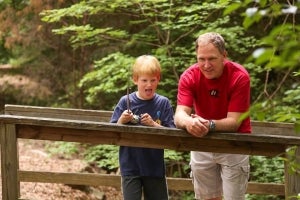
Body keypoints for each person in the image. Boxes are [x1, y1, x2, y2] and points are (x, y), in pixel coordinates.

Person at [174, 32, 251, 200]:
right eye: (201, 59)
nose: (206, 65)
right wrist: (189, 122)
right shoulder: (189, 76)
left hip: (234, 144)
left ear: (224, 56)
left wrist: (208, 124)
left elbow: (234, 123)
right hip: (201, 142)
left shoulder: (239, 76)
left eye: (212, 59)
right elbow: (179, 114)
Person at [110, 55, 175, 200]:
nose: (149, 85)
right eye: (144, 80)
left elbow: (172, 133)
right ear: (135, 80)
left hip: (154, 167)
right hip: (130, 165)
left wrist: (153, 125)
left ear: (158, 79)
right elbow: (112, 131)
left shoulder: (163, 103)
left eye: (153, 80)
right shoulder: (125, 101)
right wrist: (122, 120)